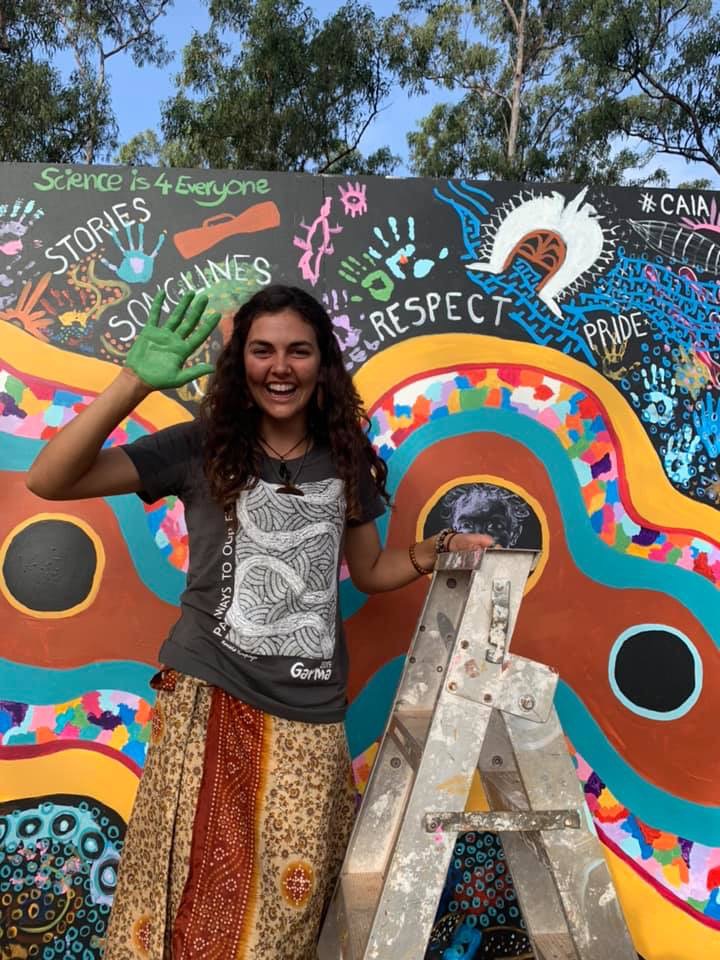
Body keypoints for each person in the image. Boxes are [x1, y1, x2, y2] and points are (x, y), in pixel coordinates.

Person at [27, 284, 492, 960]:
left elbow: (368, 573)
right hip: (207, 698)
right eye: (262, 350)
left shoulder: (345, 456)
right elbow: (50, 479)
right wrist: (131, 381)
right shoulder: (201, 445)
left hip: (310, 709)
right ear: (239, 362)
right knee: (182, 902)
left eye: (298, 351)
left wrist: (435, 552)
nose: (281, 367)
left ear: (321, 363)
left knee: (288, 909)